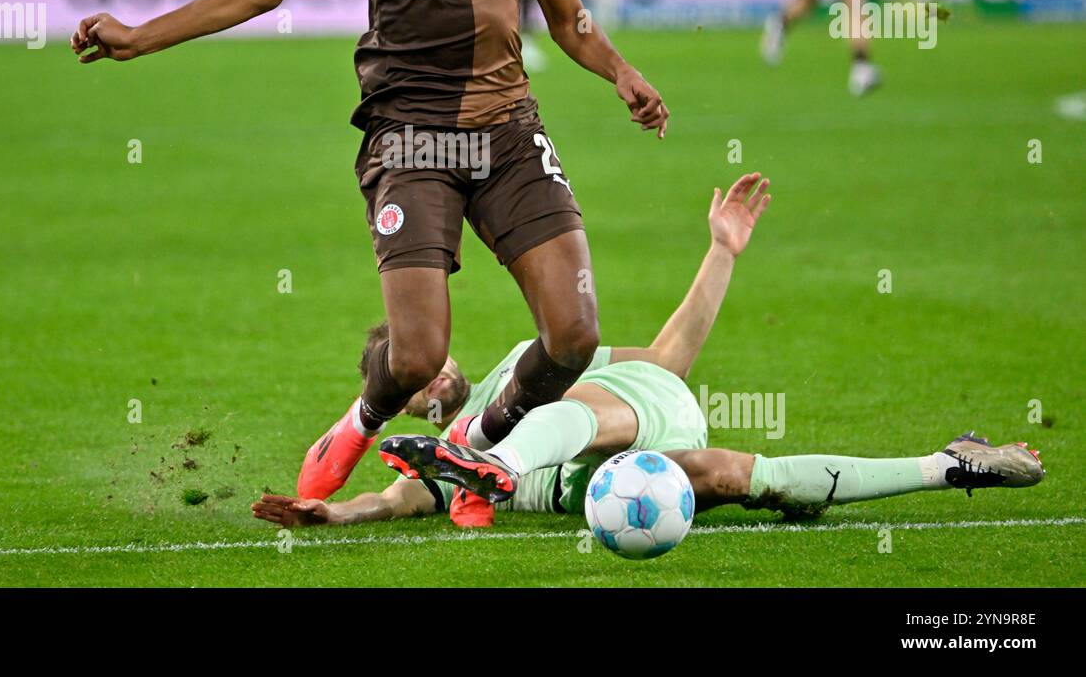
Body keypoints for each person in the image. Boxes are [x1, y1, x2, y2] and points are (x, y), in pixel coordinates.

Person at [70, 0, 670, 519]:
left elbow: (569, 22)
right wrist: (140, 35)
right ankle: (365, 419)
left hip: (508, 136)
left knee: (574, 337)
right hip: (410, 142)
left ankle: (476, 451)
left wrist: (621, 71)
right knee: (417, 356)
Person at [251, 173, 1043, 529]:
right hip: (622, 477)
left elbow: (666, 358)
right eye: (420, 369)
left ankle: (503, 467)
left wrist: (722, 251)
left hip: (638, 411)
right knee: (738, 477)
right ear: (412, 396)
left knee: (558, 400)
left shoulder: (532, 363)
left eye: (434, 353)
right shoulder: (424, 460)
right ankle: (951, 463)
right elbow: (385, 503)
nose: (438, 364)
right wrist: (329, 515)